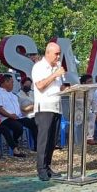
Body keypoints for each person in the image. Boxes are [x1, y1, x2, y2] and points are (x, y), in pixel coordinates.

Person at [31, 42, 66, 181]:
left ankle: (48, 166)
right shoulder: (39, 67)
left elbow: (59, 87)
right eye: (56, 54)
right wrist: (54, 75)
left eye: (59, 53)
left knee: (52, 140)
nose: (58, 56)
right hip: (44, 107)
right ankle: (41, 169)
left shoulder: (57, 67)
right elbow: (39, 85)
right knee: (44, 140)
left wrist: (68, 89)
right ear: (48, 53)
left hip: (57, 107)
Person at [0, 74, 34, 157]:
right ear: (5, 82)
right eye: (11, 82)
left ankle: (37, 146)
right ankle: (15, 144)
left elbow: (18, 110)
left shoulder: (13, 95)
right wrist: (10, 115)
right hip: (5, 118)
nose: (13, 84)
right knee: (18, 127)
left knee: (33, 123)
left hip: (17, 117)